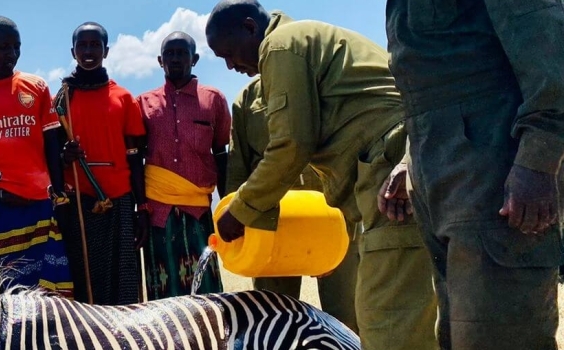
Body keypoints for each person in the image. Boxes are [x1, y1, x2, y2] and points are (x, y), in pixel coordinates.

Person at [204, 1, 437, 348]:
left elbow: (291, 147)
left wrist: (240, 211)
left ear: (251, 28)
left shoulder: (281, 46)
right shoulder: (300, 42)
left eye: (229, 52)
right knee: (411, 307)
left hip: (392, 175)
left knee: (388, 316)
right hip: (403, 164)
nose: (230, 65)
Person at [384, 1, 563, 348]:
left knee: (500, 333)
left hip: (495, 168)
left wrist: (538, 160)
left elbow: (551, 52)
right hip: (439, 173)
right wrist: (409, 160)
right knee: (459, 333)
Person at [227, 76, 359, 331]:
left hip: (333, 219)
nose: (231, 66)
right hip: (273, 226)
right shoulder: (246, 99)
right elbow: (238, 167)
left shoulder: (322, 80)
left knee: (346, 316)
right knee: (273, 319)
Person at [0, 16, 73, 297]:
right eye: (3, 47)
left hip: (39, 204)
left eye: (16, 47)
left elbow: (51, 144)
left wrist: (59, 195)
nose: (11, 54)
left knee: (49, 290)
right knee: (5, 290)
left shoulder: (37, 87)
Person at [54, 22, 146, 305]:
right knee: (83, 280)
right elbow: (52, 153)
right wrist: (64, 155)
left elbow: (135, 157)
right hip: (78, 202)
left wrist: (142, 207)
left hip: (118, 200)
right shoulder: (61, 100)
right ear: (73, 51)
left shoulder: (124, 98)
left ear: (106, 50)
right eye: (82, 45)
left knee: (123, 280)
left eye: (95, 45)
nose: (89, 51)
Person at [135, 31, 229, 299]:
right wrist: (140, 208)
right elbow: (136, 159)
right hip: (157, 211)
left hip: (198, 211)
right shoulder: (142, 103)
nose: (175, 59)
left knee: (206, 288)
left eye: (182, 53)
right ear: (159, 60)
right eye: (169, 54)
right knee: (161, 290)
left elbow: (221, 154)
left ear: (195, 59)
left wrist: (226, 206)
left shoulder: (214, 100)